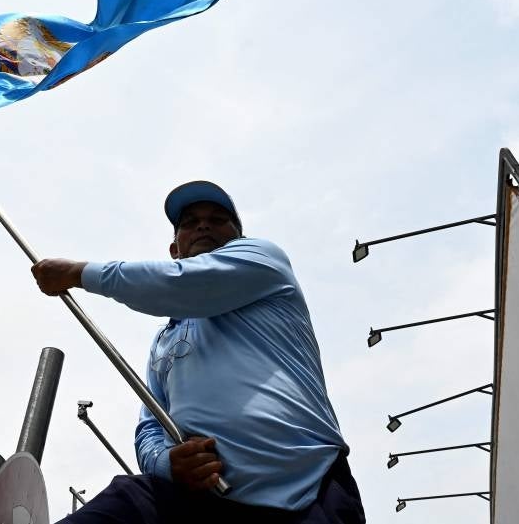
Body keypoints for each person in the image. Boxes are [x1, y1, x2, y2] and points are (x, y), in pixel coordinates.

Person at [31, 181, 365, 524]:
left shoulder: (264, 261)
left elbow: (181, 284)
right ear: (174, 249)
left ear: (238, 239)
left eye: (218, 219)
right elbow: (150, 426)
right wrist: (166, 463)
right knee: (126, 503)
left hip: (307, 489)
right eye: (189, 222)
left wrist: (78, 273)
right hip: (201, 497)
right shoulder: (165, 340)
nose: (203, 225)